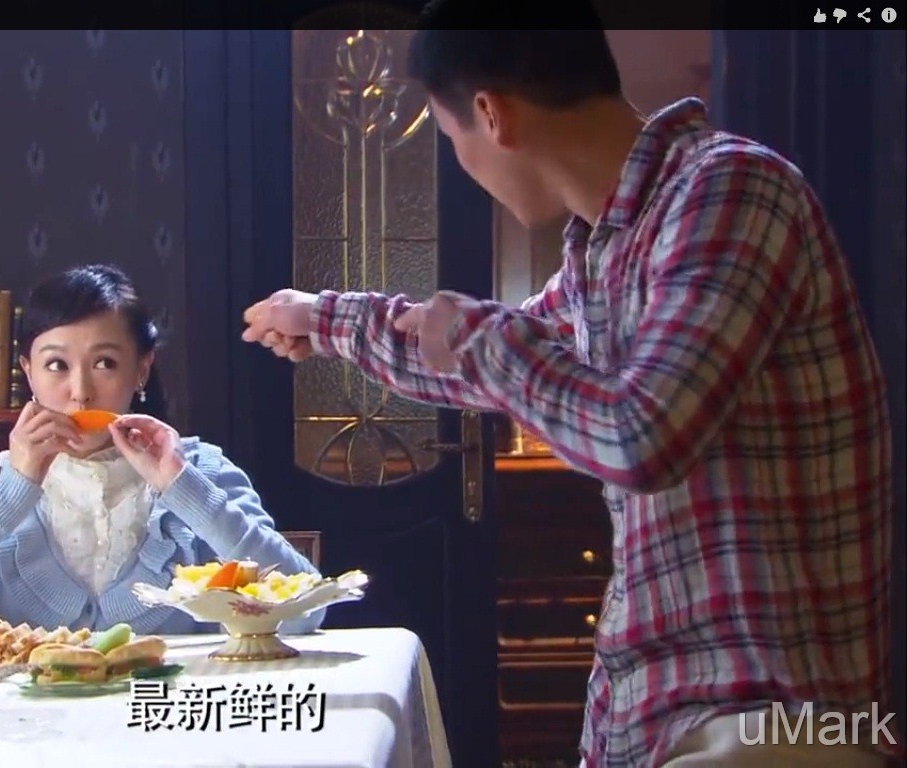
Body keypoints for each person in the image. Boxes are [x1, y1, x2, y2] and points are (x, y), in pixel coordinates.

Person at [240, 2, 895, 767]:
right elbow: (476, 357)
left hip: (771, 723)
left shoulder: (731, 191)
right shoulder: (603, 250)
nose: (462, 163)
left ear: (492, 115)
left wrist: (479, 337)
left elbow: (641, 436)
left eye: (451, 137)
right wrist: (324, 319)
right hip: (657, 719)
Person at [0, 264, 324, 651]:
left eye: (104, 363)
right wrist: (9, 499)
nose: (80, 392)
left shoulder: (199, 470)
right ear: (28, 373)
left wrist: (181, 488)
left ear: (141, 369)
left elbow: (307, 612)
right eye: (56, 365)